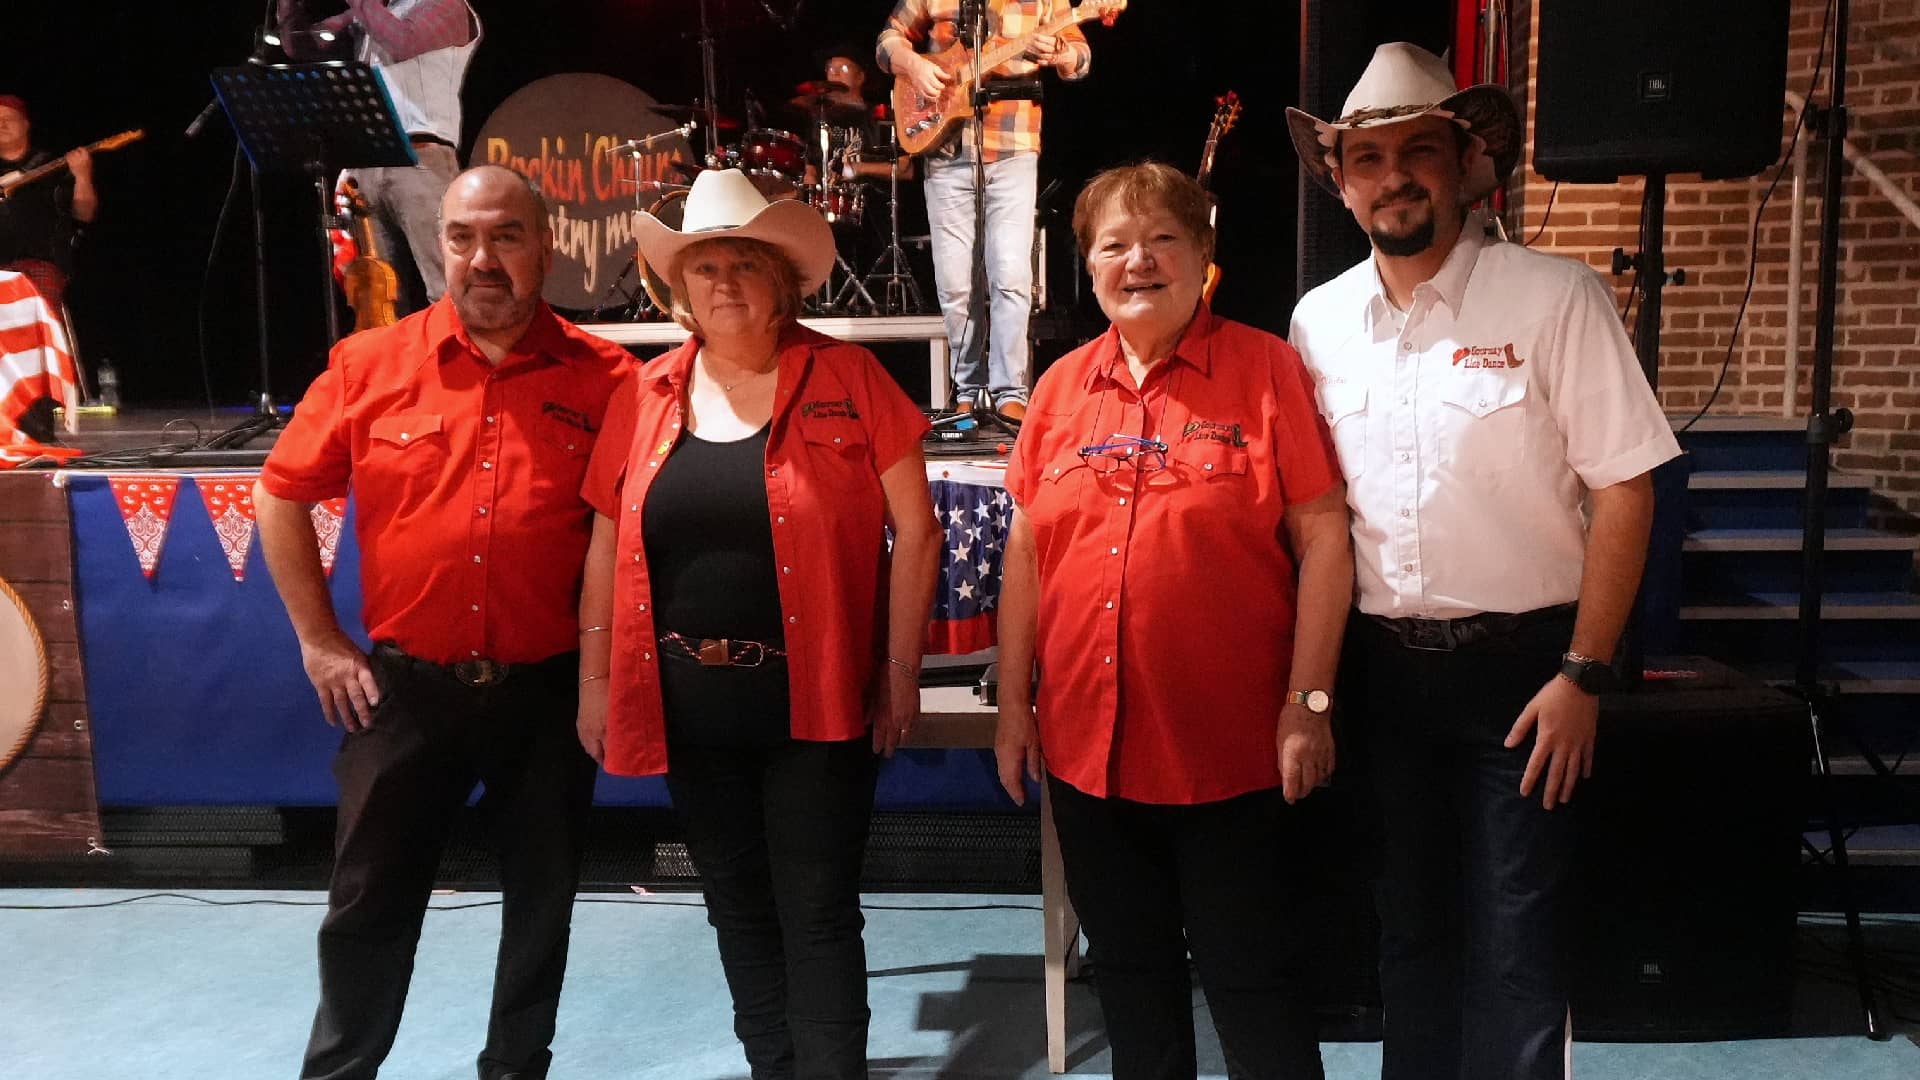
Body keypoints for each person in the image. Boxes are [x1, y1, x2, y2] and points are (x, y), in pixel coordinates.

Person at [1286, 42, 1683, 1080]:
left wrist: (1584, 673)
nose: (1394, 176)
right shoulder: (1318, 323)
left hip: (1527, 677)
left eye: (1421, 151)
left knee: (1519, 944)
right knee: (1410, 936)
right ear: (1340, 179)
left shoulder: (1556, 298)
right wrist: (1314, 692)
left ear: (1468, 165)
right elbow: (1319, 526)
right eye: (1368, 159)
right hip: (1385, 680)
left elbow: (1627, 486)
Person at [254, 165, 632, 1080]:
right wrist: (318, 639)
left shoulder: (608, 377)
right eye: (462, 237)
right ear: (441, 247)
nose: (481, 258)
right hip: (405, 689)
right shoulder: (368, 365)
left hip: (546, 694)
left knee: (541, 907)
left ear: (545, 248)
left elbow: (621, 541)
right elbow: (279, 495)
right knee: (364, 908)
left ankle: (514, 1070)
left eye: (505, 236)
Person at [577, 168, 940, 1080]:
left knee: (817, 907)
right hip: (690, 701)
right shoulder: (645, 391)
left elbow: (919, 531)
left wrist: (899, 675)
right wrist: (595, 682)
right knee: (734, 902)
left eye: (745, 263)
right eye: (704, 267)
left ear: (784, 280)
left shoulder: (849, 375)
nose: (725, 282)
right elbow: (607, 539)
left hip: (813, 698)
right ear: (679, 287)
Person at [996, 162, 1354, 1078]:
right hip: (1090, 754)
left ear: (1204, 256)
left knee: (1253, 985)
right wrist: (1012, 710)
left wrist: (1308, 702)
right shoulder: (1058, 390)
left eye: (1162, 239)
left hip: (1231, 754)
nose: (1138, 260)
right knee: (1132, 982)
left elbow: (1323, 539)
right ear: (1088, 268)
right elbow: (1029, 554)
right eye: (1112, 245)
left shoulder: (1267, 369)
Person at [876, 0, 1092, 420]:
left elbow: (1080, 58)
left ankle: (1011, 392)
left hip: (1014, 148)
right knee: (956, 283)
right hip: (945, 149)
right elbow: (886, 41)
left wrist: (1063, 54)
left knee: (1010, 275)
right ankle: (968, 391)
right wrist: (914, 66)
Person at [278, 0, 481, 317]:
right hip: (366, 161)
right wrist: (290, 8)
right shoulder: (372, 11)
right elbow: (304, 45)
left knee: (447, 292)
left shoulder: (447, 5)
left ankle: (463, 364)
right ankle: (390, 366)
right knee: (375, 299)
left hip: (421, 161)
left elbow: (403, 42)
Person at [0, 94, 96, 312]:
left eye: (9, 118)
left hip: (39, 267)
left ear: (25, 125)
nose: (2, 124)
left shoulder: (52, 166)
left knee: (40, 334)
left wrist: (82, 174)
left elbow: (84, 213)